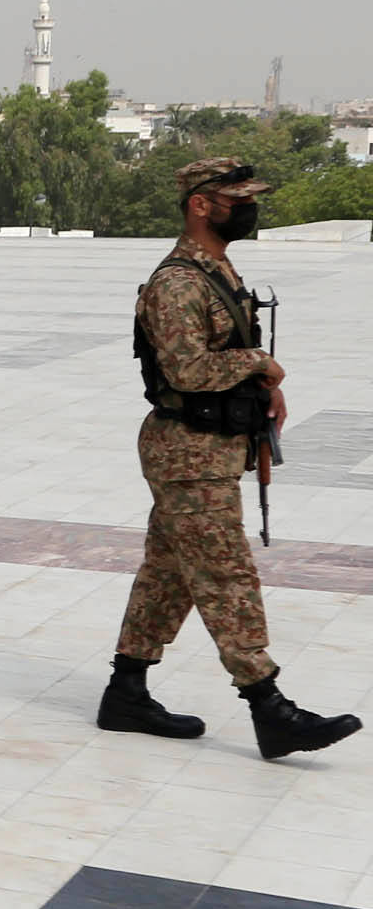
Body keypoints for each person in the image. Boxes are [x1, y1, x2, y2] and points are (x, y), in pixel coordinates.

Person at [101, 157, 359, 758]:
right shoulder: (178, 283)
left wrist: (263, 388)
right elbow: (186, 368)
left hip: (208, 448)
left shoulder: (215, 267)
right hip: (187, 450)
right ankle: (271, 709)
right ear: (199, 204)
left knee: (170, 573)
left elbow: (225, 353)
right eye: (233, 197)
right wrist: (258, 364)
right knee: (226, 575)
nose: (247, 207)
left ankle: (126, 691)